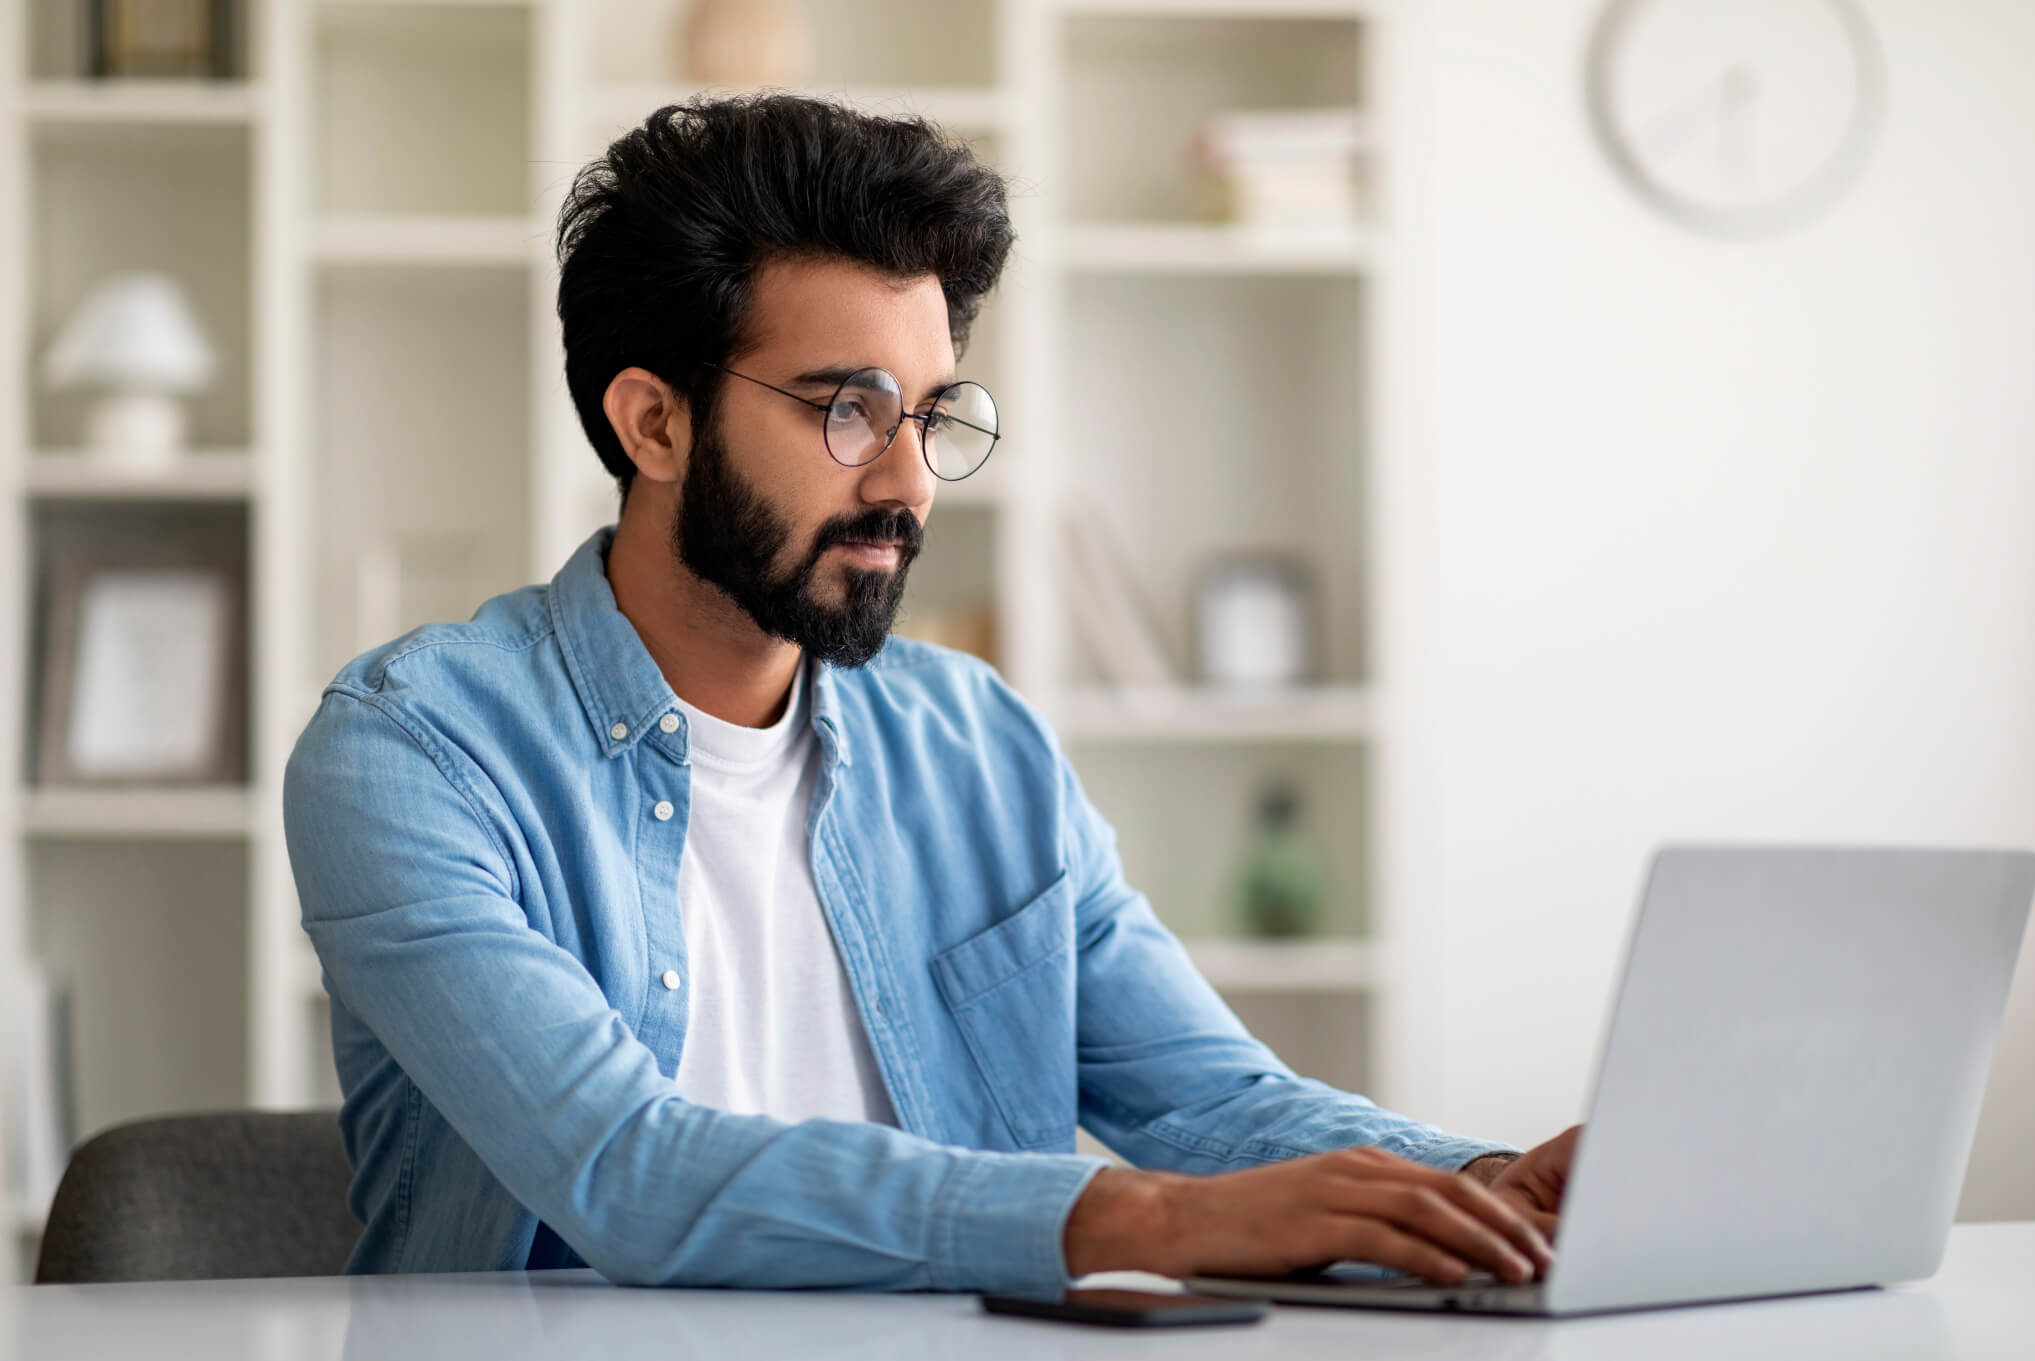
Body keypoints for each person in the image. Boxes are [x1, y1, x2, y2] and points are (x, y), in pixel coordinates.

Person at [282, 93, 1579, 1296]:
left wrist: (1478, 1187)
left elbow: (1207, 1101)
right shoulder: (413, 752)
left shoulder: (980, 742)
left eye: (932, 413)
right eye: (849, 409)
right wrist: (1144, 1221)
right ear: (654, 424)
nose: (908, 483)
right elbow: (628, 1169)